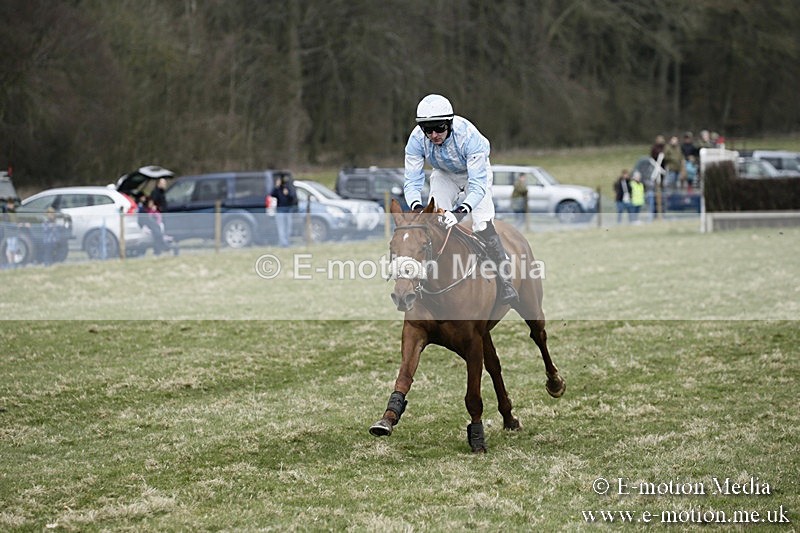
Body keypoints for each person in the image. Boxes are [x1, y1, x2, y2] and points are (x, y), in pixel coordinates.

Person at [403, 93, 518, 304]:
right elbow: (412, 181)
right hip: (443, 175)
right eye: (428, 130)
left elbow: (476, 186)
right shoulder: (416, 140)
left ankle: (505, 282)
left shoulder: (470, 137)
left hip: (475, 176)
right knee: (434, 223)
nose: (434, 135)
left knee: (482, 225)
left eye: (439, 128)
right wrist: (417, 206)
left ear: (449, 122)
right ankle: (428, 279)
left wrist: (460, 212)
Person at [270, 175, 298, 247]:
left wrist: (287, 193)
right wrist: (276, 186)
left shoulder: (289, 188)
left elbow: (293, 197)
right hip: (280, 210)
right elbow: (272, 195)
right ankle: (283, 243)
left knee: (288, 227)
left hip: (288, 210)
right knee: (281, 227)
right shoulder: (278, 189)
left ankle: (287, 241)